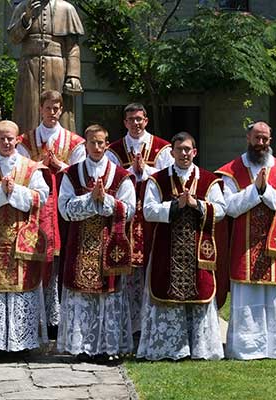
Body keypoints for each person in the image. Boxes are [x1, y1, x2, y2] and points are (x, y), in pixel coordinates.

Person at [216, 121, 276, 360]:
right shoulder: (231, 171)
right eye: (257, 138)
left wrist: (266, 191)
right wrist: (255, 190)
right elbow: (228, 208)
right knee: (248, 296)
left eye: (265, 139)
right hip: (244, 245)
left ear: (270, 140)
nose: (261, 143)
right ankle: (248, 348)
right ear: (248, 138)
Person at [136, 132, 225, 360]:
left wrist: (198, 205)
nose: (184, 153)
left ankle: (200, 349)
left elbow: (222, 210)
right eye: (179, 149)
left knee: (200, 294)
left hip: (197, 250)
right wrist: (175, 206)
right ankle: (169, 349)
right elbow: (148, 210)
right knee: (166, 293)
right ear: (172, 152)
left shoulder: (208, 179)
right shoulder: (157, 179)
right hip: (167, 248)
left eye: (188, 149)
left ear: (195, 152)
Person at [0, 120, 50, 353]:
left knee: (22, 288)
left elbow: (41, 197)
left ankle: (21, 344)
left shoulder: (31, 167)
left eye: (10, 138)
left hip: (21, 239)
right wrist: (0, 192)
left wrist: (15, 192)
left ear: (17, 139)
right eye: (2, 138)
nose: (6, 142)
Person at [57, 124, 136, 362]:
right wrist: (90, 200)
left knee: (108, 295)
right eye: (93, 142)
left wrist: (107, 201)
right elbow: (64, 209)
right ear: (85, 144)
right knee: (82, 297)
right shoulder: (71, 174)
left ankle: (107, 348)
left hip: (109, 245)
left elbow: (130, 209)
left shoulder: (120, 175)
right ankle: (82, 347)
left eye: (102, 142)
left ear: (107, 143)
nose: (98, 147)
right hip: (80, 246)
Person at [17, 89, 85, 335]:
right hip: (37, 209)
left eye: (57, 108)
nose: (53, 113)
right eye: (48, 108)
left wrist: (61, 167)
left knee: (63, 259)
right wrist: (39, 167)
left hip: (64, 208)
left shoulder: (75, 142)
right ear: (40, 109)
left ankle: (59, 318)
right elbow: (20, 168)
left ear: (62, 110)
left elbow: (80, 172)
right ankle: (36, 317)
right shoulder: (26, 141)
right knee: (38, 259)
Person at [107, 103, 174, 333]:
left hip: (151, 221)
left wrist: (145, 171)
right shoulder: (114, 150)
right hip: (124, 220)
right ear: (124, 123)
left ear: (146, 120)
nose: (135, 123)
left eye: (139, 119)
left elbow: (170, 179)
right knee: (126, 272)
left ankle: (149, 322)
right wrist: (131, 172)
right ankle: (127, 324)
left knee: (150, 268)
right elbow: (110, 178)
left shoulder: (163, 149)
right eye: (130, 120)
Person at [8, 0, 84, 133]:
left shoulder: (66, 8)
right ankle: (27, 146)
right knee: (28, 111)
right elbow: (14, 38)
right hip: (29, 67)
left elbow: (73, 47)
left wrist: (73, 75)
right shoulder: (23, 7)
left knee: (58, 108)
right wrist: (26, 18)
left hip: (57, 67)